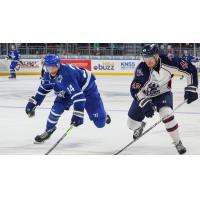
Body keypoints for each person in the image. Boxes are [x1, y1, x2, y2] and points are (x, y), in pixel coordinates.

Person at [127, 44, 198, 154]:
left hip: (163, 93)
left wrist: (191, 87)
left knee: (167, 114)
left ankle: (177, 142)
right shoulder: (141, 70)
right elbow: (135, 90)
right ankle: (139, 126)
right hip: (145, 95)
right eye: (145, 58)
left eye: (150, 57)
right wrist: (144, 102)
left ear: (157, 55)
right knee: (131, 124)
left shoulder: (170, 61)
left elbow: (191, 69)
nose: (147, 61)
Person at [25, 54, 111, 143]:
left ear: (58, 65)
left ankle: (103, 115)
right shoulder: (47, 74)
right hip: (67, 90)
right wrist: (34, 102)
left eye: (53, 67)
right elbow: (44, 88)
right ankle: (49, 130)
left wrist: (78, 114)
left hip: (87, 88)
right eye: (48, 67)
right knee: (56, 109)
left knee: (100, 124)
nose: (51, 69)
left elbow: (79, 97)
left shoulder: (66, 75)